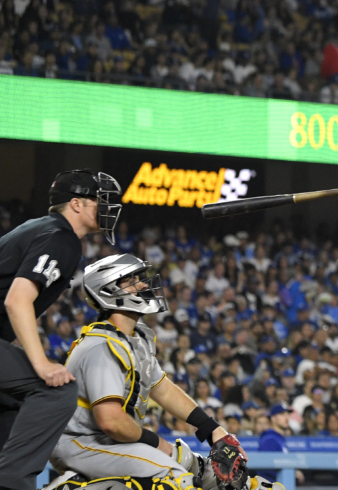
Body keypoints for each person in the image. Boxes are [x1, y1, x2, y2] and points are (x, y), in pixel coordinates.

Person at [47, 253, 280, 490]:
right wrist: (157, 443)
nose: (144, 284)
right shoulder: (101, 345)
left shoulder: (135, 338)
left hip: (113, 442)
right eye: (132, 280)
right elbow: (110, 421)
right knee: (175, 481)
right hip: (81, 443)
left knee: (208, 474)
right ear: (109, 291)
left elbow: (163, 389)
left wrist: (213, 430)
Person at [0, 169, 121, 490]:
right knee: (56, 390)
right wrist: (40, 364)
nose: (108, 208)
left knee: (13, 400)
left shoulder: (42, 228)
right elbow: (17, 300)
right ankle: (11, 484)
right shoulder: (61, 237)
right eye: (101, 201)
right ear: (77, 204)